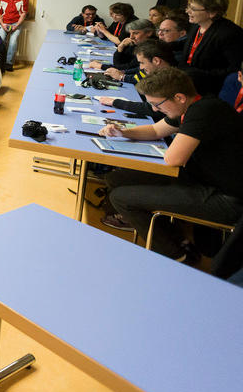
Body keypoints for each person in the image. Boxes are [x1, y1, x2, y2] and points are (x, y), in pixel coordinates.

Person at [100, 68, 243, 260]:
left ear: (179, 97)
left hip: (227, 199)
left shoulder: (204, 112)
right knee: (117, 178)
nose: (154, 110)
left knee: (121, 198)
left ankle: (176, 255)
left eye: (157, 104)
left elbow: (173, 159)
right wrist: (123, 132)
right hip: (202, 179)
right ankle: (175, 239)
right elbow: (155, 130)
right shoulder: (193, 106)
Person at [180, 0, 243, 95]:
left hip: (211, 89)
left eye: (193, 9)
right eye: (189, 7)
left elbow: (234, 69)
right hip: (190, 80)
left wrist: (199, 74)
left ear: (212, 13)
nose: (188, 11)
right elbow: (190, 45)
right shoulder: (197, 25)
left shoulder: (231, 33)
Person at [98, 39, 176, 121]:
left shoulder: (173, 79)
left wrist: (115, 102)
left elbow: (153, 109)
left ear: (156, 61)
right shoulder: (155, 71)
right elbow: (135, 74)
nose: (141, 67)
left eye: (142, 63)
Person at [0, 0, 28, 71]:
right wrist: (2, 24)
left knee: (13, 42)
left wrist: (16, 26)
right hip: (4, 23)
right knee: (1, 41)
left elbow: (23, 14)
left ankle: (9, 63)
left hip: (16, 23)